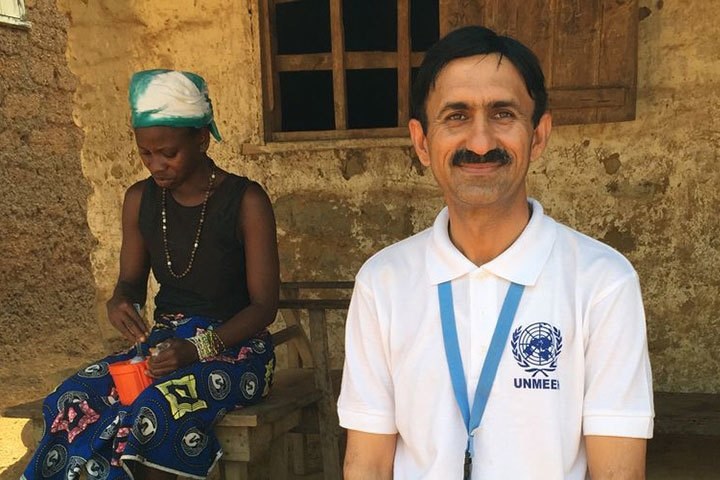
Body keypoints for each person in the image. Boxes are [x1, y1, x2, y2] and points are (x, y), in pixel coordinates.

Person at [337, 26, 654, 479]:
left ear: (539, 135)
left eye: (503, 114)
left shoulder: (602, 282)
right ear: (422, 141)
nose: (481, 142)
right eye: (456, 116)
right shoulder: (383, 282)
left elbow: (617, 472)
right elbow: (367, 462)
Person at [23, 69, 280, 479]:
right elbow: (129, 283)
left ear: (201, 139)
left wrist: (199, 348)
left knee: (154, 409)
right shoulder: (140, 200)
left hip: (238, 350)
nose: (156, 164)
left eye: (168, 153)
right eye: (146, 153)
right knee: (72, 397)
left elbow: (264, 306)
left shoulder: (246, 200)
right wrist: (120, 301)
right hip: (165, 346)